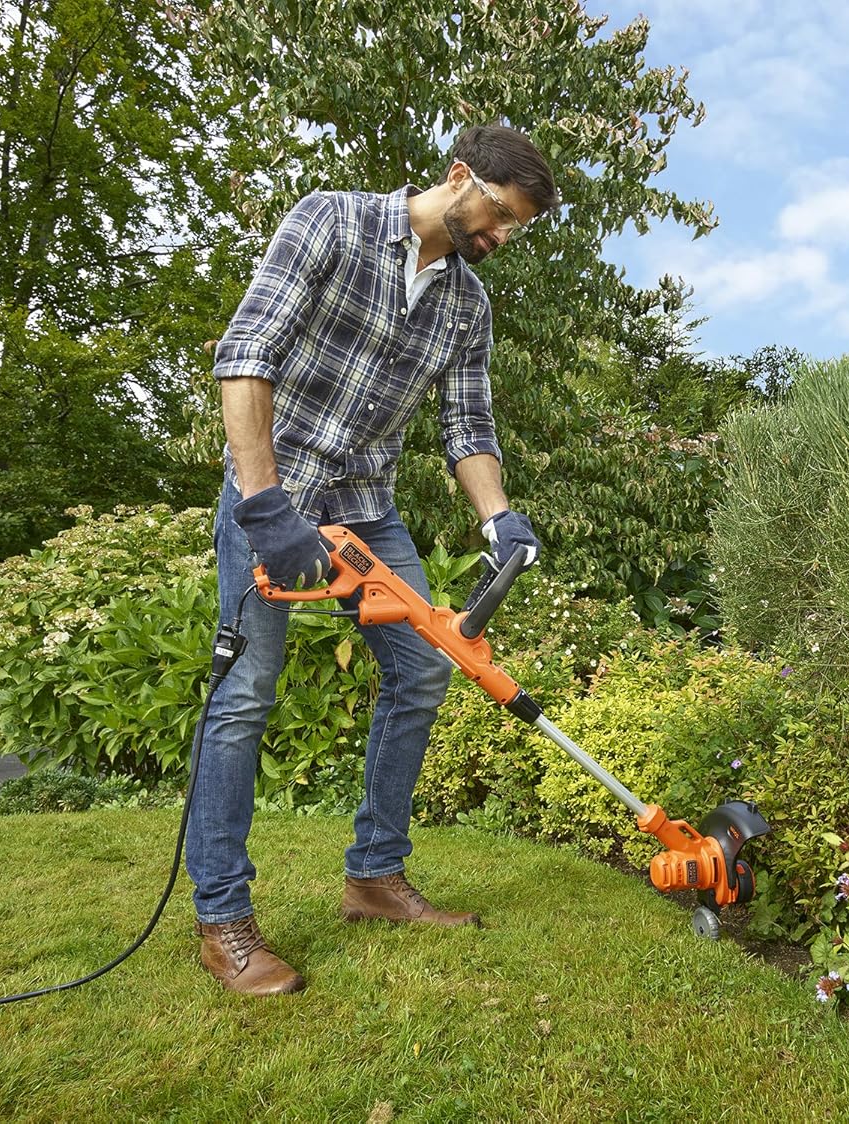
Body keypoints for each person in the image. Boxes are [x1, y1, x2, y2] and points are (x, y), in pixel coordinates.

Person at [187, 125, 559, 996]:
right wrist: (264, 503)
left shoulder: (469, 305)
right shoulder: (332, 221)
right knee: (244, 698)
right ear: (459, 176)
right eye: (500, 215)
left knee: (426, 669)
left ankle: (374, 877)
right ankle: (223, 921)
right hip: (271, 494)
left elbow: (468, 427)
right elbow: (245, 356)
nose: (501, 237)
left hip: (369, 512)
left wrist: (499, 518)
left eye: (517, 229)